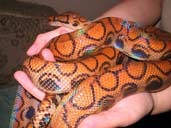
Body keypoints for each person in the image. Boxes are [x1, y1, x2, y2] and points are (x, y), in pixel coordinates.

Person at [14, 0, 171, 127]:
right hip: (144, 35)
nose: (52, 21)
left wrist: (157, 100)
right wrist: (95, 27)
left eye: (55, 20)